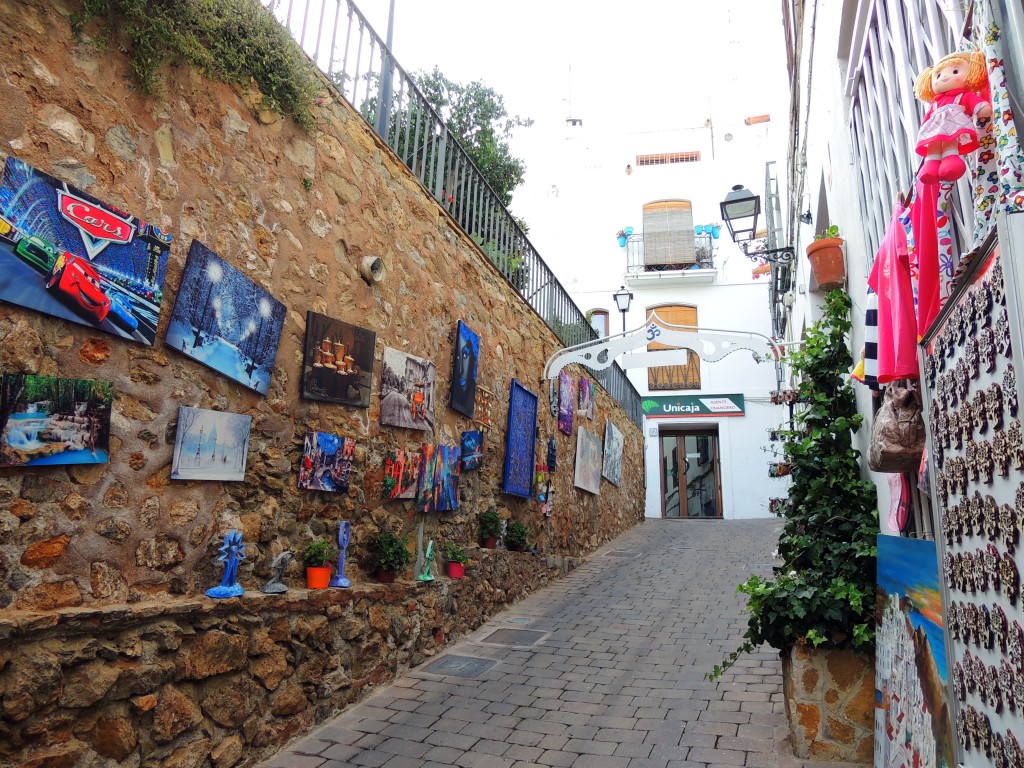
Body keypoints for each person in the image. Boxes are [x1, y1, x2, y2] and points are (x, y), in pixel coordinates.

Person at [914, 49, 991, 183]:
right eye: (937, 76)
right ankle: (931, 164)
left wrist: (982, 108)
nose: (944, 77)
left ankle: (951, 159)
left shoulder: (963, 96)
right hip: (935, 128)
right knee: (934, 143)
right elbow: (927, 118)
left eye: (955, 71)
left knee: (950, 140)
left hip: (953, 125)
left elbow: (976, 104)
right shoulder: (935, 104)